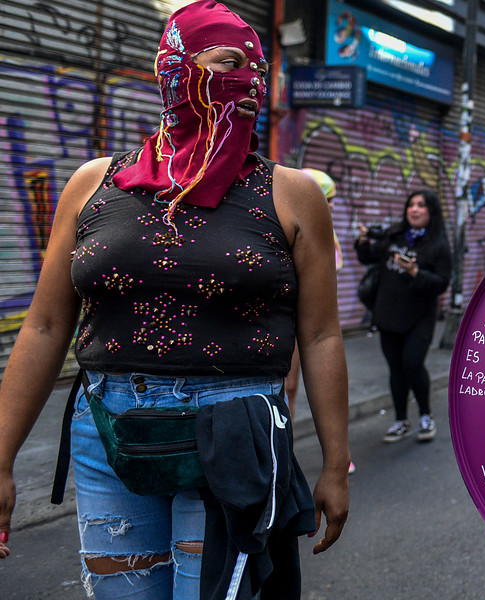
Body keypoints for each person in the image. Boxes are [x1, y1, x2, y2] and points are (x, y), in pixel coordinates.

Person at [0, 2, 350, 598]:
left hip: (233, 435)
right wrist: (3, 458)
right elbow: (46, 326)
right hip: (108, 432)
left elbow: (320, 336)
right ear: (174, 68)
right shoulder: (92, 184)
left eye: (257, 70)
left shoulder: (292, 194)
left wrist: (336, 465)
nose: (249, 82)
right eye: (229, 64)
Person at [355, 189, 451, 443]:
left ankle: (426, 415)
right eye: (411, 205)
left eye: (421, 205)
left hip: (420, 318)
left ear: (431, 211)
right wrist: (363, 241)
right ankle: (401, 421)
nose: (414, 210)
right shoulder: (394, 235)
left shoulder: (438, 245)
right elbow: (368, 257)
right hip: (388, 315)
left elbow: (442, 283)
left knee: (412, 364)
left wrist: (415, 272)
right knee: (396, 369)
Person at [285, 167, 355, 474]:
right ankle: (284, 452)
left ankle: (337, 454)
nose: (330, 205)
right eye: (326, 199)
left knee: (327, 388)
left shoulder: (327, 234)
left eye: (330, 200)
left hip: (317, 324)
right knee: (288, 386)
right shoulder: (286, 226)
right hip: (287, 321)